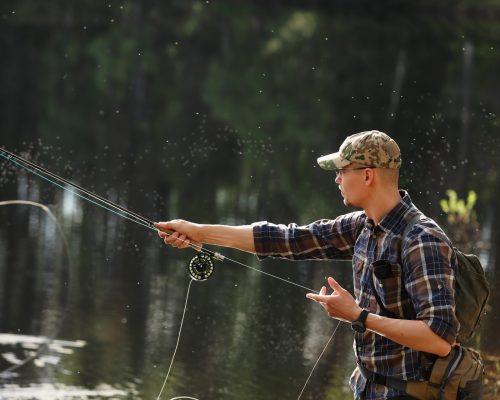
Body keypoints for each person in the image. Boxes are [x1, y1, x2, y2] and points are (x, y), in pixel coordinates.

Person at [155, 130, 459, 400]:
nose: (337, 179)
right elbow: (285, 239)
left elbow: (439, 340)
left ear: (368, 175)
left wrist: (359, 316)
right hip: (367, 388)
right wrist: (200, 232)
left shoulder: (422, 239)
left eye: (342, 170)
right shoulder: (361, 226)